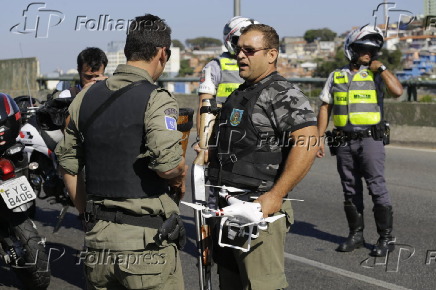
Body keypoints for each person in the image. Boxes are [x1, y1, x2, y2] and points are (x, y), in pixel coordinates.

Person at [55, 14, 186, 289]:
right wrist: (180, 175)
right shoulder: (157, 98)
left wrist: (87, 216)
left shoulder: (85, 97)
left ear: (128, 51)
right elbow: (167, 166)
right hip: (145, 245)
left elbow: (67, 163)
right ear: (162, 53)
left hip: (97, 244)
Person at [207, 24, 318, 289]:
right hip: (227, 207)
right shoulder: (240, 93)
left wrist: (276, 196)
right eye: (238, 50)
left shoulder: (281, 93)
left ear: (271, 55)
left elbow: (308, 141)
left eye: (249, 50)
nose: (240, 56)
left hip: (258, 209)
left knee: (262, 285)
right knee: (230, 283)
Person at [316, 24, 403, 257]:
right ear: (351, 49)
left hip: (370, 140)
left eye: (372, 51)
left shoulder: (377, 74)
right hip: (343, 141)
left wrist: (382, 68)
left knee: (377, 187)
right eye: (363, 49)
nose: (368, 54)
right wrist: (317, 139)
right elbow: (325, 107)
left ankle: (386, 238)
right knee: (349, 189)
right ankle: (356, 235)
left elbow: (397, 91)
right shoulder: (336, 75)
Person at [196, 16, 259, 134]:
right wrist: (203, 144)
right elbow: (204, 106)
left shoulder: (261, 64)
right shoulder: (214, 67)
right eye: (239, 40)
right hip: (225, 131)